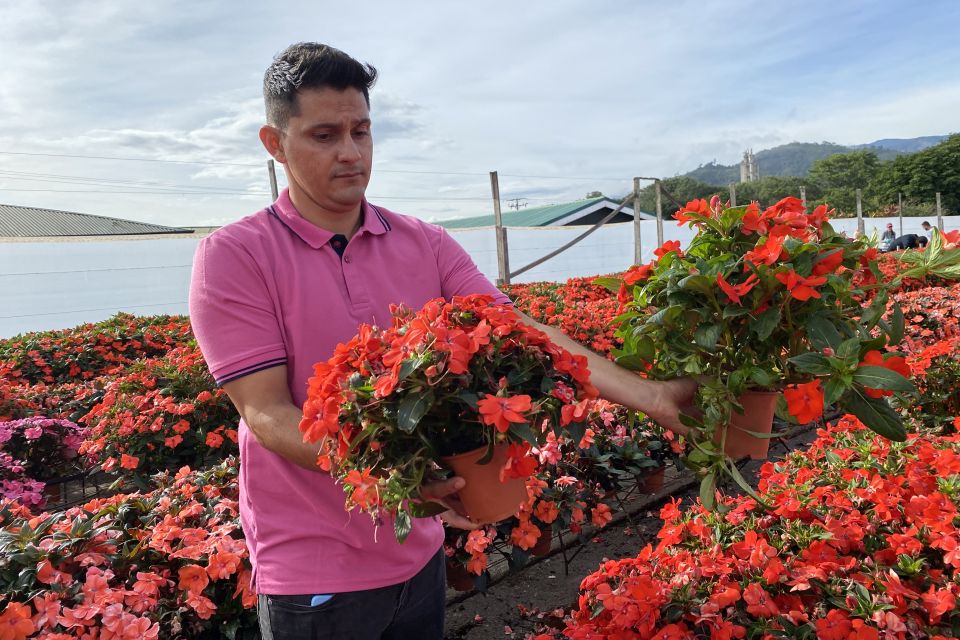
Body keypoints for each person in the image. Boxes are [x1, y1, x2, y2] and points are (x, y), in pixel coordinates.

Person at [188, 42, 696, 640]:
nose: (351, 153)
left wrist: (650, 396)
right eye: (324, 135)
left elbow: (519, 328)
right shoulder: (236, 254)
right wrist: (392, 478)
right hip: (313, 563)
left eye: (361, 131)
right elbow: (267, 411)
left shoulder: (423, 242)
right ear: (275, 144)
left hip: (419, 547)